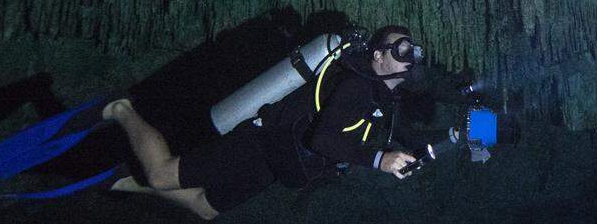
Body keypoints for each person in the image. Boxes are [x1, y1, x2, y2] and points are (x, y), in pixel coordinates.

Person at [102, 25, 426, 220]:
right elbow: (322, 140)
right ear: (378, 56)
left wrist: (456, 135)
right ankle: (122, 109)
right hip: (257, 144)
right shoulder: (356, 85)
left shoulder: (383, 102)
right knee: (162, 175)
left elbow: (394, 137)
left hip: (275, 160)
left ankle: (131, 180)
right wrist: (378, 159)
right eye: (402, 48)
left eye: (414, 51)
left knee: (206, 209)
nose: (410, 56)